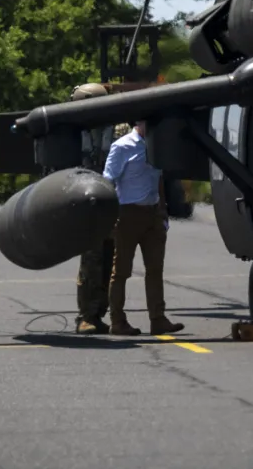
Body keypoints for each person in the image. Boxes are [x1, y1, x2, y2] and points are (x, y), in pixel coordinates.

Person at [103, 119, 184, 336]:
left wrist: (163, 212)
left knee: (155, 270)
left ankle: (157, 318)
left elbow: (159, 179)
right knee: (121, 271)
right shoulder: (122, 146)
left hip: (153, 214)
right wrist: (109, 217)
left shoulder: (157, 146)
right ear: (138, 121)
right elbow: (108, 181)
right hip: (127, 213)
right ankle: (117, 321)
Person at [70, 83, 117, 334]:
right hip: (86, 206)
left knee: (109, 261)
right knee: (91, 262)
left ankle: (99, 314)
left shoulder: (117, 131)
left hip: (111, 203)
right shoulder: (72, 134)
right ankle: (86, 315)